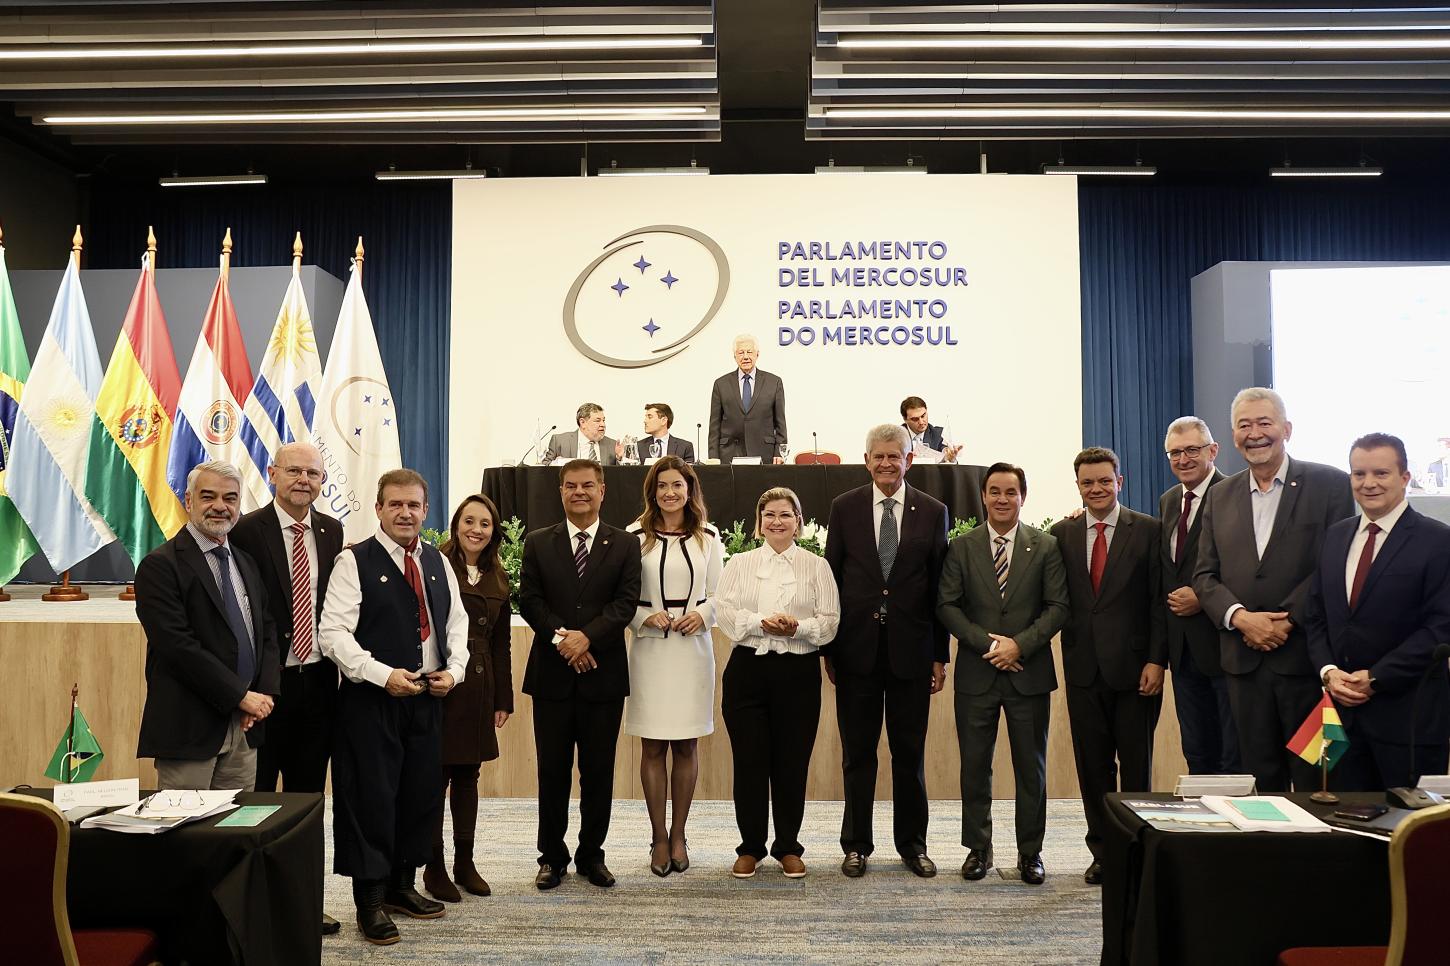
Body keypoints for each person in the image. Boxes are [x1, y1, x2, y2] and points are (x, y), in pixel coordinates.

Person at [319, 469, 468, 946]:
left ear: (427, 511)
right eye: (396, 505)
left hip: (426, 698)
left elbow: (456, 623)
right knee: (371, 799)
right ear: (379, 509)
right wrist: (384, 676)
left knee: (419, 794)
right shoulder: (353, 562)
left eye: (415, 506)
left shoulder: (438, 563)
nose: (406, 513)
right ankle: (370, 901)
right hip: (371, 702)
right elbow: (333, 635)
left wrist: (455, 670)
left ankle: (404, 887)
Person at [1193, 387, 1354, 792]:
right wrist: (1242, 619)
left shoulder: (1330, 484)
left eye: (1265, 423)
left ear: (1286, 428)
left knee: (1321, 776)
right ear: (1233, 436)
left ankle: (1321, 857)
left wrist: (1286, 620)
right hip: (1243, 667)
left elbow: (1334, 565)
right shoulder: (1219, 495)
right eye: (1244, 425)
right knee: (1259, 780)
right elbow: (1204, 577)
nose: (1255, 433)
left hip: (1308, 662)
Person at [823, 424, 949, 879]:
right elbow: (831, 582)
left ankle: (913, 845)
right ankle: (856, 845)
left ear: (909, 460)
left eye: (894, 457)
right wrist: (830, 650)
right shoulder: (845, 507)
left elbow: (938, 589)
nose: (886, 464)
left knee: (908, 754)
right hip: (855, 652)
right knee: (858, 754)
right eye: (878, 457)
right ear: (867, 459)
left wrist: (940, 655)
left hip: (912, 655)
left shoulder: (933, 511)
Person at [228, 441, 344, 935]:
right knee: (253, 798)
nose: (303, 480)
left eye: (312, 473)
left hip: (317, 684)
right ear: (273, 473)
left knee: (305, 801)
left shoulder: (331, 530)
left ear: (322, 481)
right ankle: (249, 903)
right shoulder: (246, 530)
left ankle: (301, 903)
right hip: (263, 690)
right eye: (293, 471)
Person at [938, 462, 1068, 885]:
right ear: (983, 496)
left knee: (1032, 768)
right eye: (994, 491)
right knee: (975, 765)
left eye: (1010, 492)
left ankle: (1031, 852)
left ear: (1022, 496)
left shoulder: (1045, 546)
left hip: (1028, 674)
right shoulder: (962, 547)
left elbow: (1058, 608)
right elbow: (947, 606)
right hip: (978, 674)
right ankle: (978, 849)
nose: (1001, 499)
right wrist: (991, 645)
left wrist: (1020, 646)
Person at [519, 459, 642, 891]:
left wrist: (586, 639)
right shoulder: (538, 542)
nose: (580, 493)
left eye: (588, 485)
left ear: (602, 490)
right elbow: (530, 600)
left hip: (603, 677)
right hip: (552, 677)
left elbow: (625, 605)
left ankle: (592, 854)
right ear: (561, 491)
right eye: (571, 486)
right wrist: (563, 642)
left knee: (598, 772)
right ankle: (551, 856)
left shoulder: (626, 544)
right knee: (551, 772)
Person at [1306, 433, 1450, 790]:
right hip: (1337, 719)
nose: (1368, 483)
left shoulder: (1438, 541)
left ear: (1405, 478)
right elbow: (1315, 614)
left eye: (1381, 473)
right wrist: (1328, 672)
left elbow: (1441, 628)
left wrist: (1376, 677)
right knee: (1339, 828)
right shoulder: (1335, 536)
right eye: (1359, 474)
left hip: (1408, 722)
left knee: (1407, 835)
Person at [1050, 447, 1165, 886]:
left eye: (1104, 481)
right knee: (1093, 768)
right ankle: (1102, 851)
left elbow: (1158, 600)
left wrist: (1157, 659)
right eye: (1087, 483)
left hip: (1137, 671)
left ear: (1121, 481)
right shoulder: (1063, 533)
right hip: (1083, 670)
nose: (1095, 489)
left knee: (1136, 768)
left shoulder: (1149, 530)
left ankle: (1136, 850)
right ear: (1077, 486)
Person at [715, 487, 839, 878]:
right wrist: (761, 622)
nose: (777, 521)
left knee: (791, 762)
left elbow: (831, 621)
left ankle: (788, 846)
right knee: (749, 761)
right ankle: (750, 846)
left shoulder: (816, 566)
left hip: (798, 674)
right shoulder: (739, 562)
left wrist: (797, 627)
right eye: (769, 514)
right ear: (759, 522)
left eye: (785, 514)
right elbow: (725, 614)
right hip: (748, 671)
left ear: (798, 522)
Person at [136, 460, 280, 792]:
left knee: (233, 834)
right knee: (185, 836)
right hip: (190, 730)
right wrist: (240, 696)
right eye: (208, 496)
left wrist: (264, 696)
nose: (220, 506)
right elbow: (178, 648)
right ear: (188, 501)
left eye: (230, 498)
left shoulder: (245, 562)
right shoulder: (160, 566)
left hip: (245, 728)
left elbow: (267, 633)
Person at [624, 457, 723, 876]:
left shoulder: (709, 537)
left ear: (689, 489)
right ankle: (658, 836)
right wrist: (644, 617)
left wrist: (704, 614)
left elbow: (722, 594)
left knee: (686, 745)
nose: (669, 492)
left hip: (692, 651)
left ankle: (680, 834)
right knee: (652, 746)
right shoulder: (632, 537)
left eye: (677, 485)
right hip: (649, 653)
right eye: (662, 485)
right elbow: (621, 597)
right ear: (652, 491)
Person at [422, 494, 514, 902]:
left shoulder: (498, 576)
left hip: (480, 686)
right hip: (442, 681)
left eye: (485, 524)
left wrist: (503, 698)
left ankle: (465, 861)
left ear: (494, 532)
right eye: (469, 521)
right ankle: (434, 866)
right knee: (433, 779)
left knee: (468, 777)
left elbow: (501, 643)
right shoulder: (434, 566)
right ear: (456, 524)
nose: (476, 530)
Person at [1157, 417, 1240, 775]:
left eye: (1192, 450)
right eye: (1175, 452)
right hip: (1183, 651)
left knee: (1230, 753)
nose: (1183, 459)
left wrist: (1204, 598)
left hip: (1223, 646)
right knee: (1196, 750)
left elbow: (1246, 568)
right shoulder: (1169, 501)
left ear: (1213, 450)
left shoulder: (1235, 495)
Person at [708, 334, 787, 463]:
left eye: (749, 352)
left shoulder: (774, 382)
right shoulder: (721, 384)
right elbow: (714, 425)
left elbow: (780, 423)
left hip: (764, 452)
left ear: (757, 354)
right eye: (741, 352)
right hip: (729, 453)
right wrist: (713, 457)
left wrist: (780, 451)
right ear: (735, 356)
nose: (745, 357)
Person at [541, 402, 618, 465]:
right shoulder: (560, 441)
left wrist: (620, 459)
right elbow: (545, 466)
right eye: (597, 421)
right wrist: (559, 463)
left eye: (603, 420)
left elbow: (620, 475)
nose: (603, 424)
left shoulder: (612, 445)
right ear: (582, 422)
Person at [900, 396, 961, 463]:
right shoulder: (897, 437)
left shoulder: (938, 434)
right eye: (915, 419)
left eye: (923, 416)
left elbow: (945, 452)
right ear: (905, 419)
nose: (921, 422)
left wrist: (950, 458)